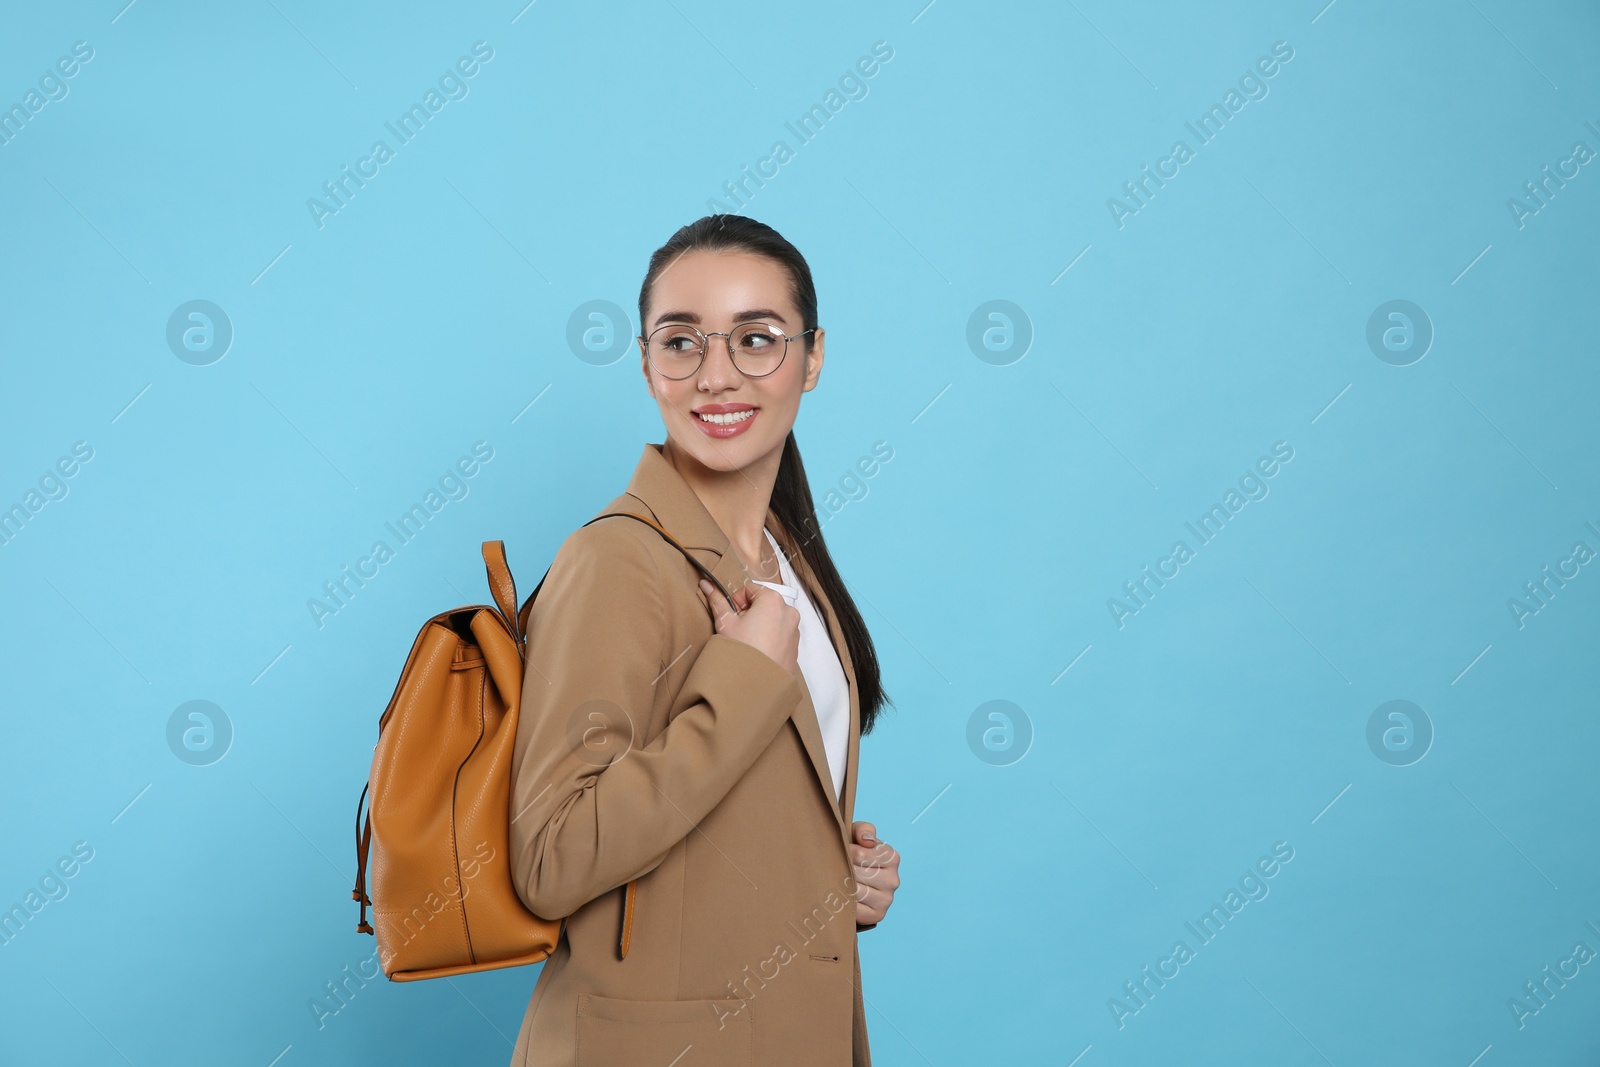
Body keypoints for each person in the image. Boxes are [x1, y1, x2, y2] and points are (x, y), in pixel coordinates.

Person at [508, 214, 900, 1066]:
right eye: (682, 341)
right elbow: (550, 856)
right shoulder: (619, 558)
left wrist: (838, 876)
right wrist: (740, 685)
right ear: (648, 363)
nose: (716, 375)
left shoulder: (789, 559)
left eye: (756, 338)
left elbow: (726, 827)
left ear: (814, 356)